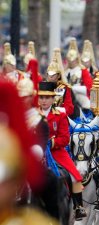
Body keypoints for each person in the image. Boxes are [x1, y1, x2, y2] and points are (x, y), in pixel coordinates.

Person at [0, 79, 58, 225]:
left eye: (25, 96)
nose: (22, 100)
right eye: (20, 96)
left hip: (20, 160)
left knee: (51, 181)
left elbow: (39, 144)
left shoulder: (38, 119)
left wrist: (25, 158)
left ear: (32, 96)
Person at [38, 81, 87, 221]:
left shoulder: (60, 114)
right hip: (37, 152)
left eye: (47, 98)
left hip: (56, 152)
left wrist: (51, 142)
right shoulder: (33, 114)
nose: (44, 101)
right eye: (41, 97)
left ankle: (78, 207)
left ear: (53, 98)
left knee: (74, 175)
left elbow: (65, 138)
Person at [64, 37, 93, 105]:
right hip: (66, 96)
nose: (71, 62)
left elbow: (89, 87)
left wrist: (73, 88)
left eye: (73, 60)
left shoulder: (83, 70)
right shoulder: (65, 71)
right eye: (69, 60)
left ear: (77, 59)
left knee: (87, 105)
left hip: (79, 95)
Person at [46, 49, 75, 116]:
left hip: (60, 117)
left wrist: (56, 110)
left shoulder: (64, 88)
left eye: (53, 75)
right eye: (49, 74)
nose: (50, 77)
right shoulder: (43, 86)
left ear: (58, 75)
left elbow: (69, 109)